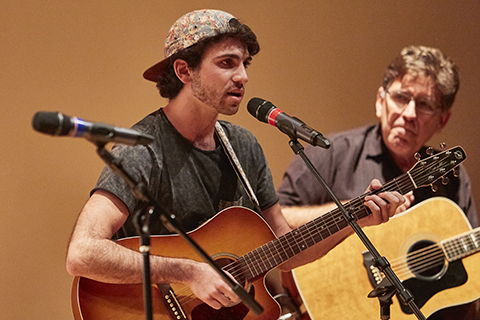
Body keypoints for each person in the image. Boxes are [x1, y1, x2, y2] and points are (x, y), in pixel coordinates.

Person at [65, 9, 405, 316]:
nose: (242, 76)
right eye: (227, 63)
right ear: (184, 71)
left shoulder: (244, 147)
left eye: (245, 64)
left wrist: (356, 218)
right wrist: (189, 272)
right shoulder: (142, 150)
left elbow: (286, 249)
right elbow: (82, 253)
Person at [277, 45, 478, 229]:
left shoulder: (451, 175)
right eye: (401, 97)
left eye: (425, 105)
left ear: (442, 121)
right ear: (380, 102)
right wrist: (357, 210)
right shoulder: (331, 153)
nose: (409, 114)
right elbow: (277, 221)